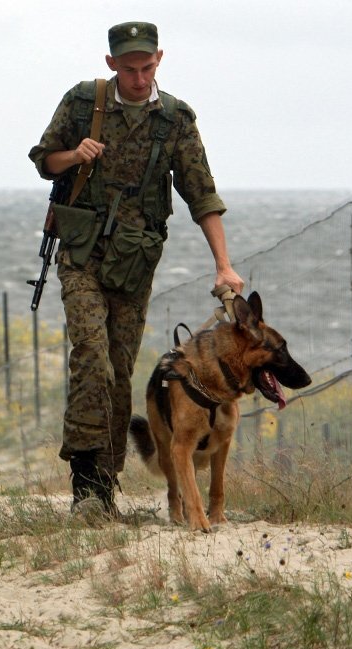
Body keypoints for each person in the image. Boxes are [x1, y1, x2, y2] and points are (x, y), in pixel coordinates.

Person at [28, 22, 244, 519]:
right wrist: (73, 154)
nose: (139, 78)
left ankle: (107, 479)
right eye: (129, 68)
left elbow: (201, 194)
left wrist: (224, 265)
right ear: (111, 65)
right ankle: (87, 488)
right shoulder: (84, 102)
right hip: (80, 255)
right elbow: (44, 160)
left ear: (159, 60)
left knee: (120, 373)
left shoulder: (174, 120)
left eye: (147, 67)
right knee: (90, 355)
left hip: (134, 264)